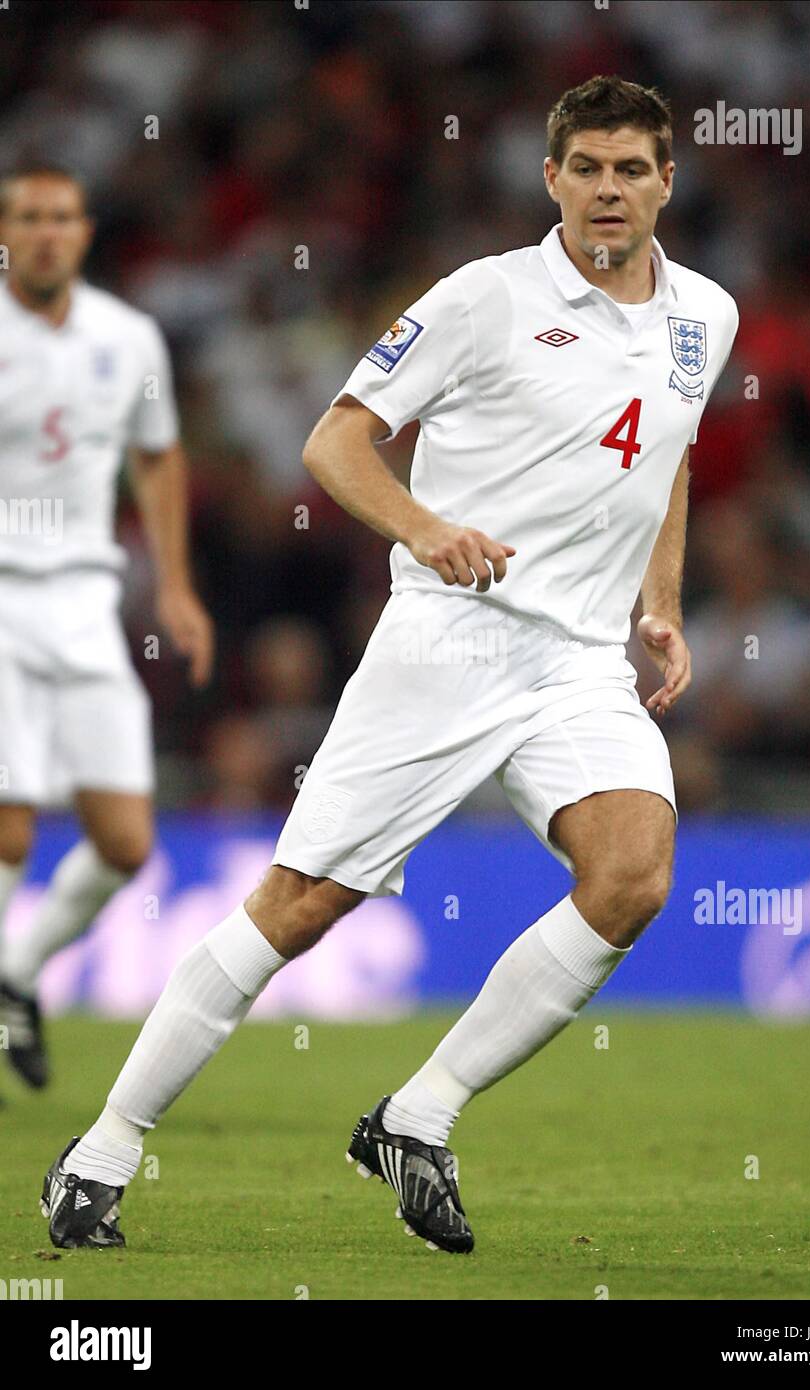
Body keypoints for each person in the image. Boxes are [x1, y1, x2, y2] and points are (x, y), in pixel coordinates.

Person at [42, 76, 737, 1255]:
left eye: (632, 169)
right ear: (553, 180)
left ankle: (417, 1115)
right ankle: (101, 1150)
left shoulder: (704, 316)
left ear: (668, 180)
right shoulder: (486, 298)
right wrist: (423, 527)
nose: (609, 191)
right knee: (301, 905)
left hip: (577, 661)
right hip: (449, 642)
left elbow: (668, 459)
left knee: (632, 875)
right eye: (588, 170)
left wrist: (658, 602)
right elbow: (336, 440)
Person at [0, 165, 213, 1090]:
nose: (46, 233)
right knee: (8, 824)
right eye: (28, 218)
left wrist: (174, 585)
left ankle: (14, 973)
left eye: (62, 217)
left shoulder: (128, 338)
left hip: (84, 601)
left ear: (84, 232)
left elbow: (158, 458)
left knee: (126, 840)